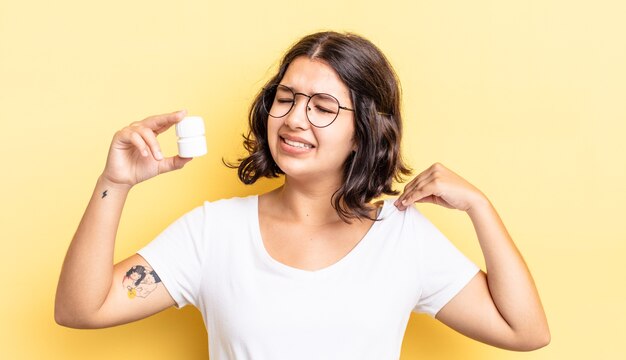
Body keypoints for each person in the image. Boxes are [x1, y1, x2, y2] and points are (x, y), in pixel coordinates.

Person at [55, 31, 550, 359]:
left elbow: (525, 332)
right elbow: (82, 309)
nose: (293, 119)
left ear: (365, 131)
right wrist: (114, 183)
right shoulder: (213, 232)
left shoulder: (403, 239)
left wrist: (480, 208)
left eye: (323, 107)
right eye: (287, 99)